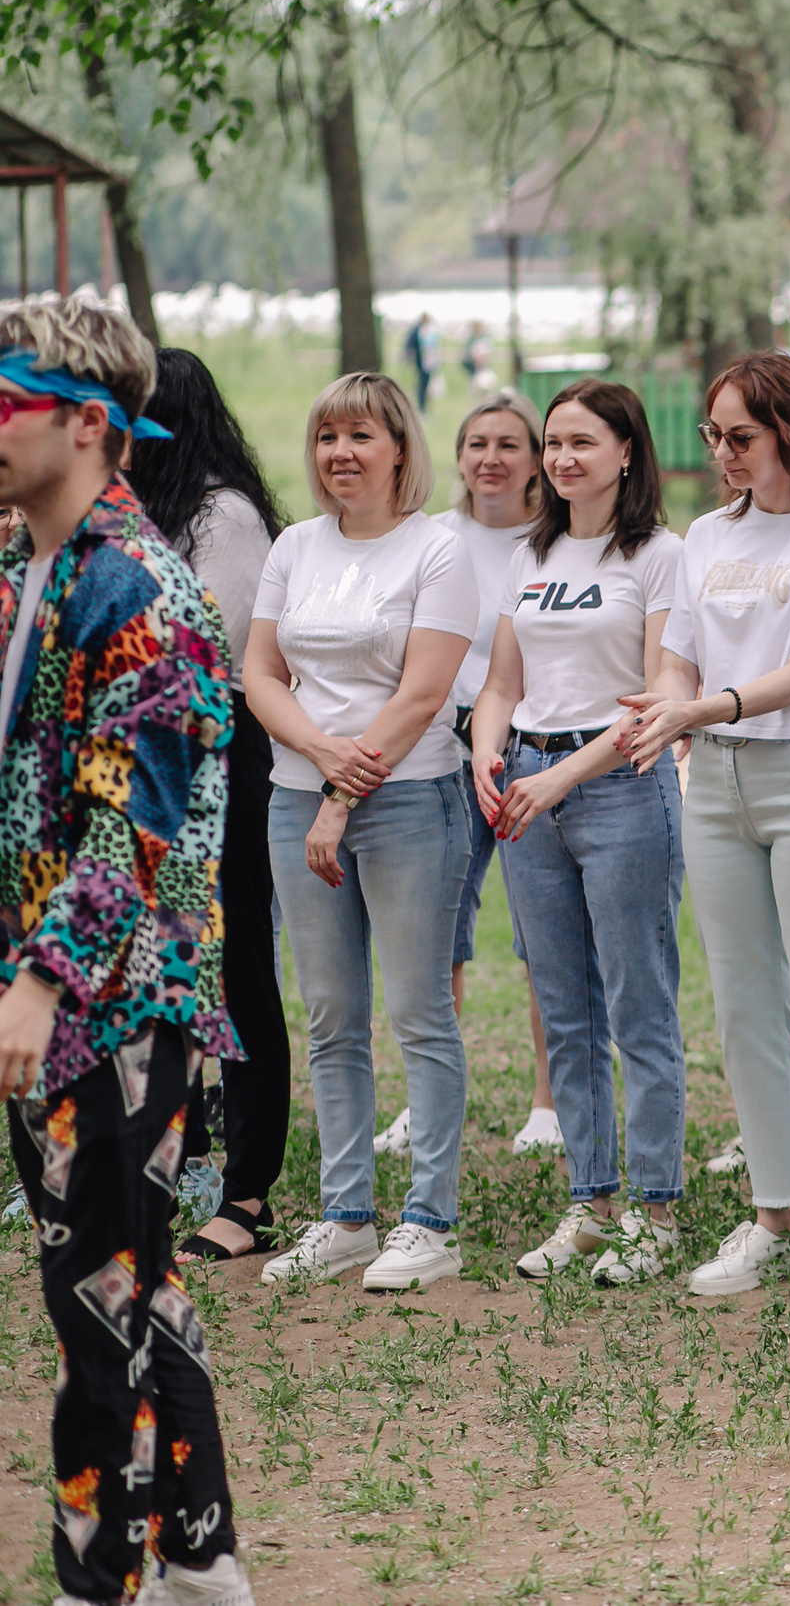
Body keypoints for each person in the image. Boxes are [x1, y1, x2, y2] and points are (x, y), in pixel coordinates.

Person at [0, 296, 258, 1605]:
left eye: (6, 401)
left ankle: (101, 1575)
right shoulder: (31, 570)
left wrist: (42, 976)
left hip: (122, 1002)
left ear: (89, 425)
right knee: (120, 1294)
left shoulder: (140, 586)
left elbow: (134, 818)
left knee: (107, 1300)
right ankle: (199, 1561)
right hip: (56, 999)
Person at [624, 351, 790, 1307]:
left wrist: (698, 711)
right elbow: (674, 659)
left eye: (740, 436)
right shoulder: (703, 534)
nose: (724, 453)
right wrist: (668, 704)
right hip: (717, 785)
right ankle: (774, 1211)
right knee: (743, 1007)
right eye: (713, 436)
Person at [247, 372, 478, 1292]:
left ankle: (431, 1220)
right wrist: (315, 757)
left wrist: (344, 792)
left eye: (360, 436)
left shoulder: (439, 549)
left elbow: (424, 691)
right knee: (331, 1017)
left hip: (411, 800)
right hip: (295, 798)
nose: (340, 452)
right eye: (326, 436)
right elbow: (260, 672)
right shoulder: (295, 546)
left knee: (420, 1012)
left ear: (398, 450)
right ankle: (345, 1213)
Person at [472, 382, 689, 1285]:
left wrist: (559, 775)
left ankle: (656, 1211)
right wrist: (490, 757)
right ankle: (590, 1205)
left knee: (638, 1005)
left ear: (627, 451)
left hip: (620, 792)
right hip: (528, 791)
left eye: (581, 442)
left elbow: (659, 699)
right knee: (564, 1011)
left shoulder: (661, 556)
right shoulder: (536, 551)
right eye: (553, 443)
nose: (561, 459)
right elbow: (499, 686)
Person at [124, 349, 293, 1267]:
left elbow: (204, 645)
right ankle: (168, 1160)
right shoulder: (136, 510)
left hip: (218, 756)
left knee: (237, 978)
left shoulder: (220, 512)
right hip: (147, 762)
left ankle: (248, 1192)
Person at [392, 392, 558, 1163]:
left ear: (536, 459)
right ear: (457, 457)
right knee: (433, 938)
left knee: (544, 939)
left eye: (509, 444)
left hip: (533, 758)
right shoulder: (430, 540)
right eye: (476, 442)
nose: (491, 457)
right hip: (440, 760)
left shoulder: (557, 542)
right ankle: (426, 1104)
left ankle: (548, 1104)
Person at [403, 314, 438, 412]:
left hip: (428, 362)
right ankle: (421, 405)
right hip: (421, 362)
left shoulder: (428, 331)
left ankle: (423, 405)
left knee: (425, 384)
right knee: (422, 384)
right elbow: (410, 345)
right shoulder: (418, 331)